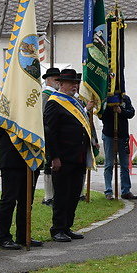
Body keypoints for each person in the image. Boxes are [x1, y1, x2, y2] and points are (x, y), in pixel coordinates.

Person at [43, 68, 92, 242]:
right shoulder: (54, 102)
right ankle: (57, 229)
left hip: (78, 156)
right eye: (71, 83)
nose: (75, 86)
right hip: (63, 157)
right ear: (61, 83)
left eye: (76, 83)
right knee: (62, 195)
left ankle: (67, 227)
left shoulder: (76, 102)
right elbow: (50, 132)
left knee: (73, 194)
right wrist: (54, 157)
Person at [0, 126, 43, 250]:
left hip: (31, 159)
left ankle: (23, 235)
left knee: (27, 201)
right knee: (9, 200)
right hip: (11, 158)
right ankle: (4, 237)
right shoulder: (5, 107)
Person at [100, 92, 137, 200]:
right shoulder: (106, 99)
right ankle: (108, 191)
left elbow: (131, 113)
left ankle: (126, 190)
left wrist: (121, 111)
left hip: (122, 135)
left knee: (125, 165)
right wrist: (111, 107)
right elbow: (101, 115)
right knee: (109, 164)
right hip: (109, 134)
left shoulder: (125, 98)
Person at [40, 67, 60, 206]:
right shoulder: (46, 94)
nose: (58, 82)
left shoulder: (57, 95)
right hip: (47, 131)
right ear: (48, 80)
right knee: (48, 163)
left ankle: (54, 194)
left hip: (56, 133)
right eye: (55, 79)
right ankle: (48, 196)